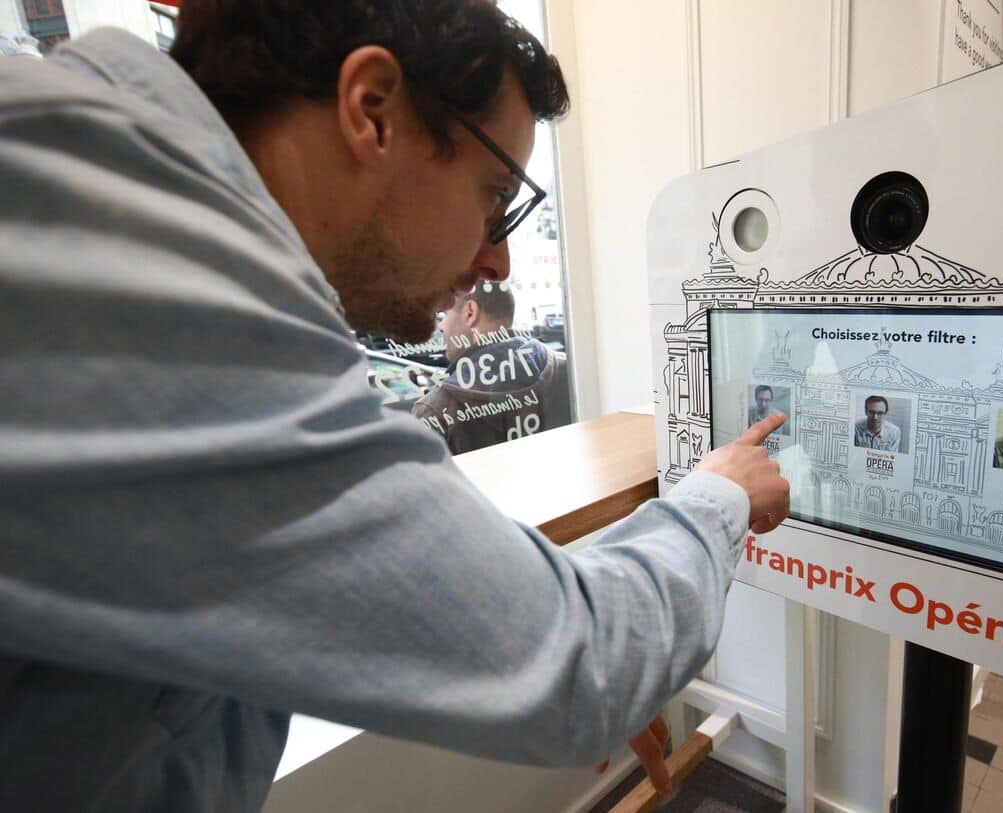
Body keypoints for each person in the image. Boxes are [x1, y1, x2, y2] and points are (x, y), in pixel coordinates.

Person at [0, 3, 790, 812]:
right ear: (371, 109)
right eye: (493, 196)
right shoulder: (168, 289)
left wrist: (529, 612)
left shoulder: (93, 182)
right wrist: (719, 493)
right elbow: (581, 670)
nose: (497, 256)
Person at [413, 279, 571, 453]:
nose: (441, 326)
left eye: (444, 314)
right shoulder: (570, 372)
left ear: (470, 312)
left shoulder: (435, 410)